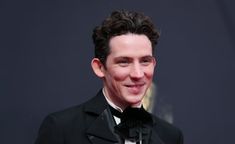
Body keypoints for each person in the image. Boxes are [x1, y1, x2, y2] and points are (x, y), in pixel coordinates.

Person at [35, 10, 183, 144]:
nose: (138, 74)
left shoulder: (171, 136)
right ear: (99, 67)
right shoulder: (61, 129)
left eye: (145, 61)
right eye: (124, 62)